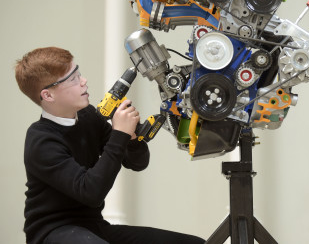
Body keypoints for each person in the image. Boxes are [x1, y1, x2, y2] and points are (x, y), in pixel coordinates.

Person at [15, 47, 204, 244]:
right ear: (48, 96)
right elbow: (91, 192)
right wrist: (119, 134)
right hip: (52, 232)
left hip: (93, 226)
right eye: (72, 79)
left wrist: (130, 138)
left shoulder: (87, 116)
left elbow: (138, 163)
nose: (83, 81)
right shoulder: (41, 140)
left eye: (78, 72)